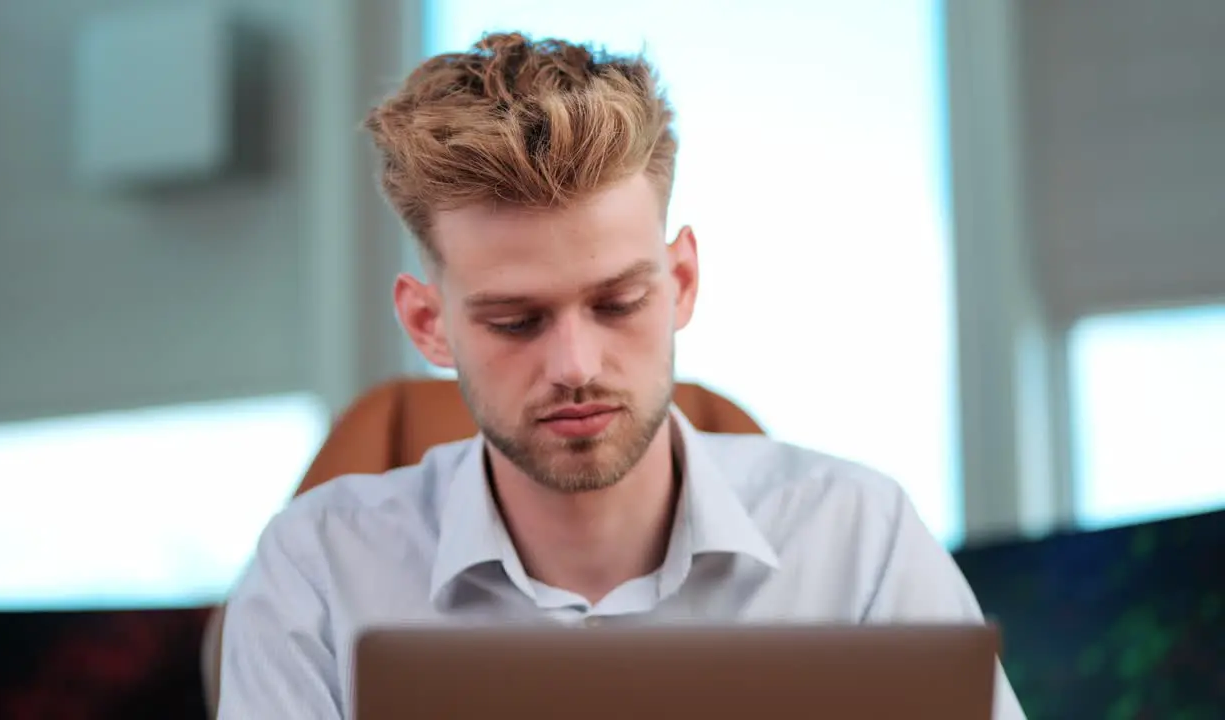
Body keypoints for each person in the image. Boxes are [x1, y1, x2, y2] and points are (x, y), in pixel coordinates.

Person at [217, 31, 1025, 719]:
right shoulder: (316, 575)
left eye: (618, 303)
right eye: (515, 321)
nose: (575, 366)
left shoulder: (859, 540)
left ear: (680, 283)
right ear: (430, 324)